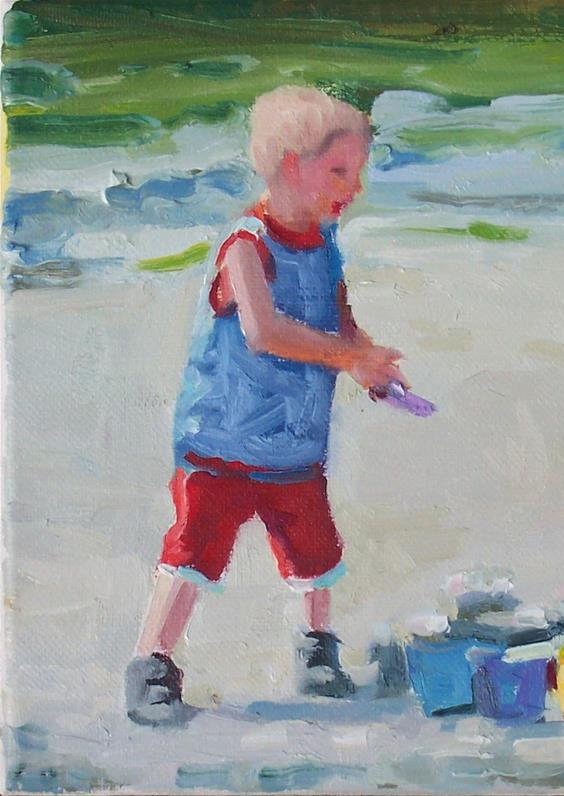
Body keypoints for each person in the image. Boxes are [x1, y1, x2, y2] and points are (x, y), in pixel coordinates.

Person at [126, 86, 408, 725]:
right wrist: (346, 357)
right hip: (222, 441)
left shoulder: (325, 244)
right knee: (193, 551)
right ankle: (152, 663)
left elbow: (339, 320)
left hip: (294, 442)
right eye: (339, 171)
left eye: (358, 172)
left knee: (315, 553)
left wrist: (367, 362)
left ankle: (316, 650)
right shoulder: (246, 245)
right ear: (290, 167)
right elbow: (264, 331)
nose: (354, 187)